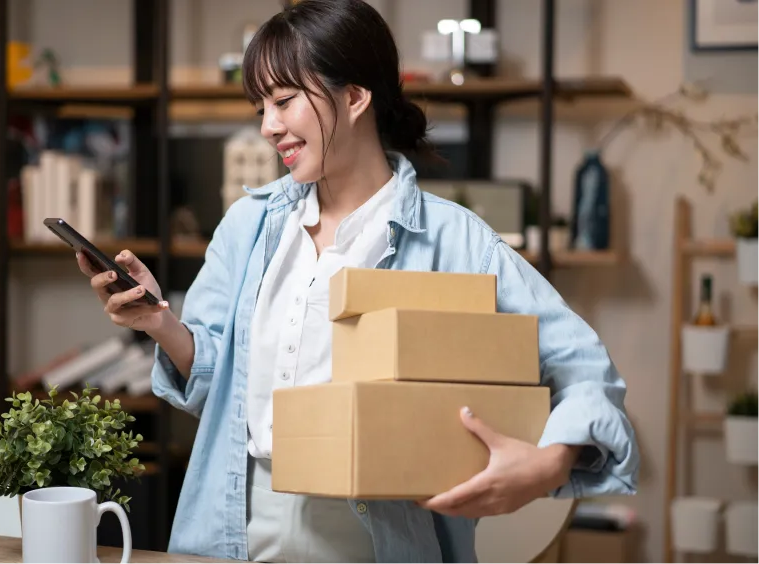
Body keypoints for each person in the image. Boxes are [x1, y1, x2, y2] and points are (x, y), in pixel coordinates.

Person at [76, 1, 639, 562]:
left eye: (284, 101)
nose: (269, 126)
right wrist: (161, 323)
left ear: (354, 97)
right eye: (261, 108)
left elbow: (585, 368)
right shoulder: (248, 226)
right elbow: (215, 387)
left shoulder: (456, 241)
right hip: (231, 532)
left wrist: (550, 462)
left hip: (377, 540)